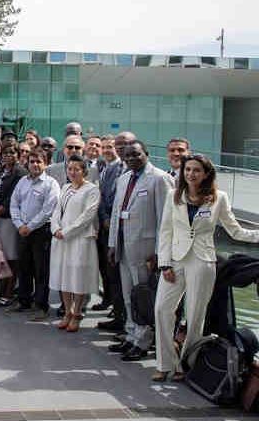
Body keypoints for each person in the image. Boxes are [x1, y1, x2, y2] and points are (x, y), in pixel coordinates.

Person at [153, 154, 259, 381]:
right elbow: (165, 232)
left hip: (202, 262)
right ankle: (165, 363)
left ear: (206, 174)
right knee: (162, 309)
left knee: (195, 315)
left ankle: (185, 364)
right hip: (175, 259)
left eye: (196, 170)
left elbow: (235, 230)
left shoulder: (218, 198)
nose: (191, 174)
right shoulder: (174, 196)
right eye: (188, 169)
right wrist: (164, 263)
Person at [107, 140, 173, 361]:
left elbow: (165, 219)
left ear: (146, 153)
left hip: (145, 250)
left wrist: (159, 253)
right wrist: (112, 244)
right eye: (127, 156)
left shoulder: (160, 179)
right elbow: (117, 213)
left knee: (142, 297)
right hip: (124, 246)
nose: (131, 159)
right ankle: (131, 334)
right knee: (128, 295)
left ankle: (143, 342)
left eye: (136, 155)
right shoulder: (124, 178)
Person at [49, 155, 101, 332]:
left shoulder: (92, 189)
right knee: (63, 275)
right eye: (70, 169)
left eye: (76, 169)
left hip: (80, 240)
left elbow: (87, 216)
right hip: (61, 239)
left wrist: (67, 231)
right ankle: (67, 312)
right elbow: (57, 211)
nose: (72, 172)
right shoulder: (64, 187)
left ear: (84, 171)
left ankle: (77, 313)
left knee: (78, 277)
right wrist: (55, 228)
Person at [8, 149, 60, 319]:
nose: (35, 165)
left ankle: (41, 306)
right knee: (23, 267)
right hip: (22, 231)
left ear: (45, 163)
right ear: (27, 163)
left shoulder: (51, 184)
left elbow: (48, 211)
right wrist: (19, 224)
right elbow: (14, 204)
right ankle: (24, 301)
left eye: (39, 161)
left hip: (40, 232)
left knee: (41, 270)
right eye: (32, 161)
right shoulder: (22, 181)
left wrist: (29, 226)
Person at [95, 132, 135, 326]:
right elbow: (102, 196)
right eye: (117, 144)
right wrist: (105, 218)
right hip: (109, 230)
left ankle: (130, 320)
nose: (120, 147)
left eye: (124, 144)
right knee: (113, 274)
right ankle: (118, 316)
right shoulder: (112, 169)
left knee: (130, 280)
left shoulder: (141, 172)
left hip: (131, 233)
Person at [0, 142, 27, 307]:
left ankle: (8, 292)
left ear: (18, 154)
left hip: (8, 219)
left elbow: (12, 198)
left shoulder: (20, 173)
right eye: (5, 152)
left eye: (12, 152)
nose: (8, 155)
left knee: (10, 257)